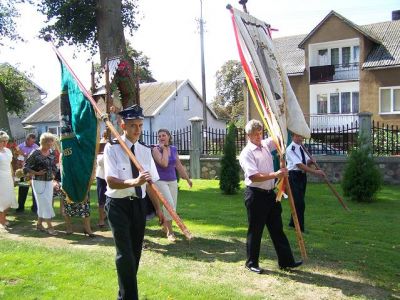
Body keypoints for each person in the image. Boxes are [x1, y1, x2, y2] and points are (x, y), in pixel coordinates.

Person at [103, 104, 164, 300]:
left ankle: (124, 294)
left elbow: (151, 184)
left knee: (135, 254)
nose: (137, 130)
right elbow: (111, 181)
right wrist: (134, 181)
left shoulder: (145, 151)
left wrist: (159, 209)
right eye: (132, 126)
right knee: (125, 254)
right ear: (122, 126)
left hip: (138, 205)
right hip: (118, 206)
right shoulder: (112, 149)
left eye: (140, 125)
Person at [239, 120, 302, 274]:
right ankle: (251, 263)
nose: (258, 137)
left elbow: (279, 139)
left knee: (277, 228)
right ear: (248, 136)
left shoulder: (265, 145)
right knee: (256, 230)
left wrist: (280, 117)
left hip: (269, 195)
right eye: (255, 134)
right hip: (255, 195)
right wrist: (276, 174)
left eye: (260, 133)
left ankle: (286, 261)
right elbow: (254, 176)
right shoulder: (247, 152)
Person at [152, 128, 192, 241]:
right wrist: (164, 149)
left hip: (173, 180)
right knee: (169, 205)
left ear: (169, 137)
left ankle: (165, 226)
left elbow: (178, 165)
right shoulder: (156, 150)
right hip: (160, 180)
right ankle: (170, 232)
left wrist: (187, 179)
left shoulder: (174, 149)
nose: (161, 138)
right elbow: (164, 164)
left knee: (172, 206)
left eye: (163, 135)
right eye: (159, 136)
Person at [286, 132, 325, 233]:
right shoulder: (291, 149)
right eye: (298, 136)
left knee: (298, 200)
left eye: (301, 136)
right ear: (292, 136)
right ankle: (300, 228)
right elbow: (299, 165)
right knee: (300, 203)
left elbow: (305, 162)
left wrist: (311, 161)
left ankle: (292, 223)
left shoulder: (302, 148)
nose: (300, 138)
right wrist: (315, 172)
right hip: (293, 176)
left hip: (302, 176)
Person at [23, 132, 58, 236]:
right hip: (38, 182)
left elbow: (54, 166)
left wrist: (54, 175)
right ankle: (50, 227)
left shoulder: (51, 152)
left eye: (52, 144)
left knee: (44, 203)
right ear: (43, 142)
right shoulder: (35, 153)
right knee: (45, 203)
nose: (51, 146)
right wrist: (36, 173)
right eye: (49, 144)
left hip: (48, 182)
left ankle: (39, 224)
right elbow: (26, 167)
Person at [16, 133, 39, 213]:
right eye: (31, 142)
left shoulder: (36, 147)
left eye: (33, 142)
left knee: (34, 191)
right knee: (22, 190)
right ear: (27, 140)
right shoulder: (19, 147)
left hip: (33, 172)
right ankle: (20, 207)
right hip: (23, 171)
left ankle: (35, 208)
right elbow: (17, 160)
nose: (32, 144)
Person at [0, 131, 18, 229]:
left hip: (8, 177)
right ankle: (2, 221)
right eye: (3, 141)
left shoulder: (8, 151)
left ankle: (3, 218)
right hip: (0, 178)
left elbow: (10, 164)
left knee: (8, 198)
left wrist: (13, 176)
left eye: (6, 141)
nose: (5, 143)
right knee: (1, 199)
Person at [96, 142, 107, 228]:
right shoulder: (101, 146)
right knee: (101, 199)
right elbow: (100, 162)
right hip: (102, 177)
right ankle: (101, 220)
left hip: (112, 176)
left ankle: (106, 215)